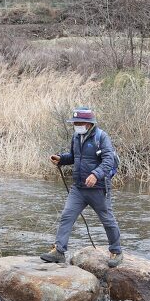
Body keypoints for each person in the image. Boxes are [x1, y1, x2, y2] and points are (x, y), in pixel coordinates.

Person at [41, 107, 123, 267]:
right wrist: (61, 159)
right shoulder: (76, 136)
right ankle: (59, 251)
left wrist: (95, 174)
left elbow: (108, 161)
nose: (76, 125)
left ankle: (116, 251)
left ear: (89, 123)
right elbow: (74, 156)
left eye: (79, 122)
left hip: (99, 188)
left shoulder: (102, 137)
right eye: (74, 122)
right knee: (66, 216)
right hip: (78, 188)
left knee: (107, 220)